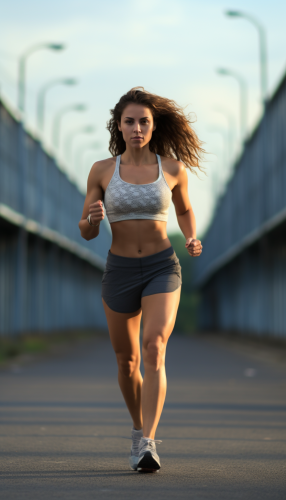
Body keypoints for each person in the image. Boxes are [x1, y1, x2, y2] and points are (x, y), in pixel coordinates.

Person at [79, 88, 203, 473]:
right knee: (126, 360)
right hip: (119, 270)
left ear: (153, 126)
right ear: (119, 125)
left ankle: (148, 443)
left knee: (153, 347)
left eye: (144, 121)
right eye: (130, 121)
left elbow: (184, 209)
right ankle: (137, 428)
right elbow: (85, 231)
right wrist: (93, 220)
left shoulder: (172, 168)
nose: (137, 128)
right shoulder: (102, 170)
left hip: (162, 266)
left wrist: (192, 236)